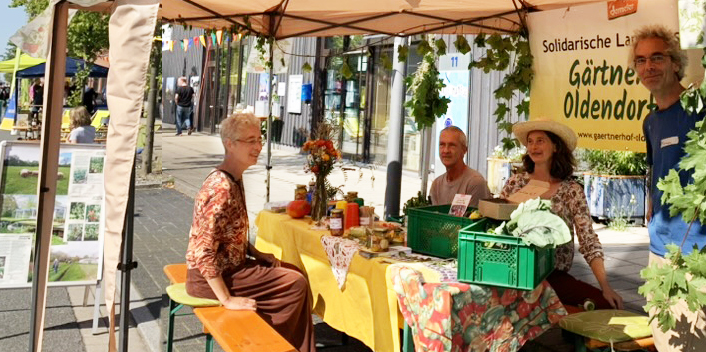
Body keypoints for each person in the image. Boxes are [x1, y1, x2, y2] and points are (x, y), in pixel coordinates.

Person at [185, 112, 315, 352]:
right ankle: (273, 346)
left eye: (259, 139)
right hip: (210, 278)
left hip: (230, 267)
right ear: (229, 144)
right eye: (250, 141)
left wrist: (256, 252)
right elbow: (204, 252)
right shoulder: (221, 188)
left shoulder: (233, 176)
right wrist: (226, 299)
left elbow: (228, 233)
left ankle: (284, 344)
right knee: (295, 284)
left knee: (295, 273)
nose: (258, 147)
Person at [631, 25, 706, 351]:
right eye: (641, 60)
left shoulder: (699, 109)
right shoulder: (650, 121)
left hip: (696, 255)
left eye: (657, 57)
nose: (648, 67)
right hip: (659, 254)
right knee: (667, 343)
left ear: (675, 63)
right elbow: (655, 172)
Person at [501, 118, 623, 310]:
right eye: (530, 141)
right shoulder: (514, 183)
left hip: (552, 276)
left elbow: (588, 240)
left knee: (604, 305)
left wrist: (605, 286)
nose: (534, 147)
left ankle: (571, 335)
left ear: (556, 147)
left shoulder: (571, 190)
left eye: (540, 140)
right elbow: (497, 224)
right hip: (513, 271)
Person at [430, 126, 491, 208]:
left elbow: (475, 218)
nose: (446, 150)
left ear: (464, 150)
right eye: (442, 145)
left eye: (452, 145)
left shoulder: (475, 182)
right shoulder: (436, 185)